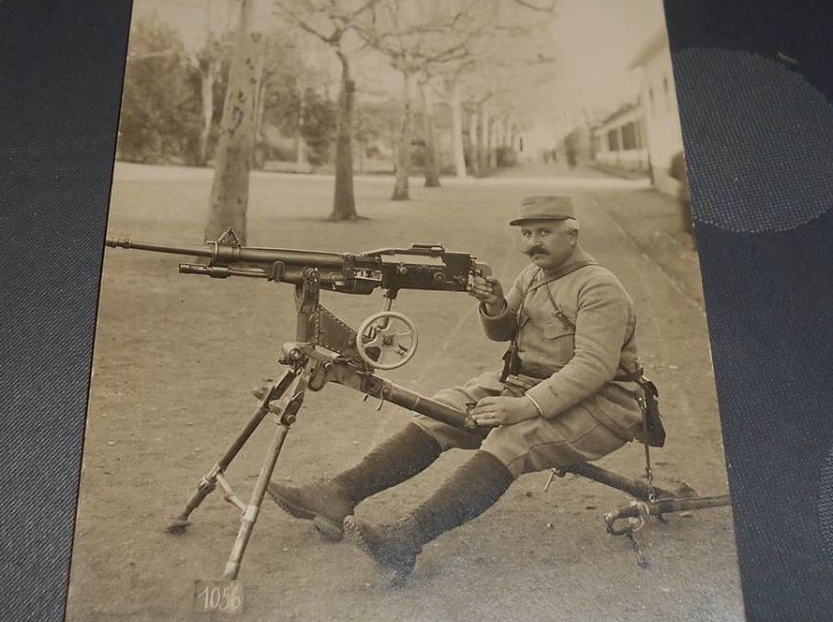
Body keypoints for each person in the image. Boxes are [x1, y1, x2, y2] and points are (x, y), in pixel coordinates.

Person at [268, 194, 649, 584]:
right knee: (442, 410)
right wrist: (495, 305)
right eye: (527, 233)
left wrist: (524, 407)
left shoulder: (599, 288)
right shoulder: (533, 276)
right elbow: (503, 332)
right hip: (527, 383)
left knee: (513, 439)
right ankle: (339, 493)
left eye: (545, 232)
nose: (533, 242)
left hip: (602, 404)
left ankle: (406, 539)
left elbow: (594, 368)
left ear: (572, 233)